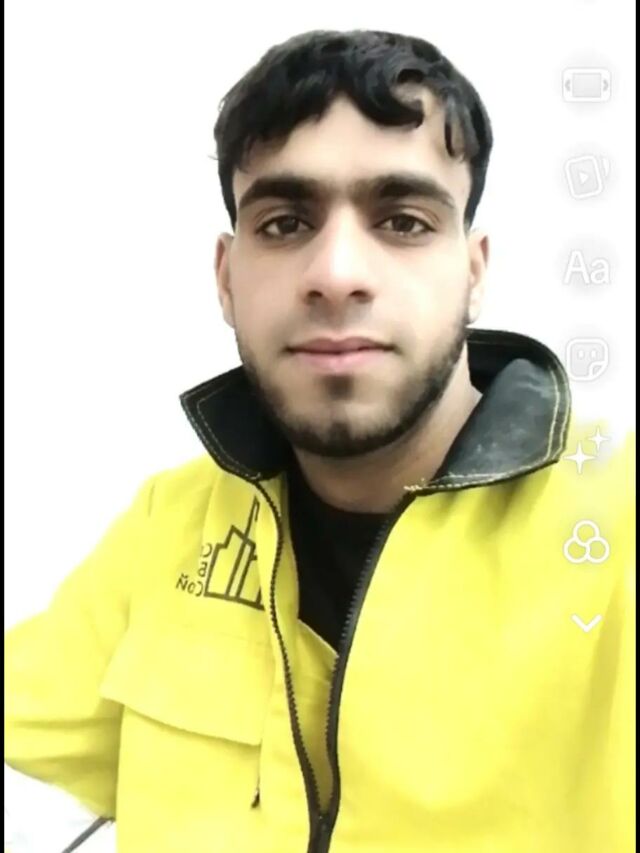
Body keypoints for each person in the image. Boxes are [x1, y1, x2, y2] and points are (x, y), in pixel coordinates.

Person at [4, 28, 634, 853]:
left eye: (403, 220)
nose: (337, 274)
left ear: (474, 271)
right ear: (226, 277)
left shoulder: (615, 526)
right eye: (284, 222)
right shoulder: (171, 521)